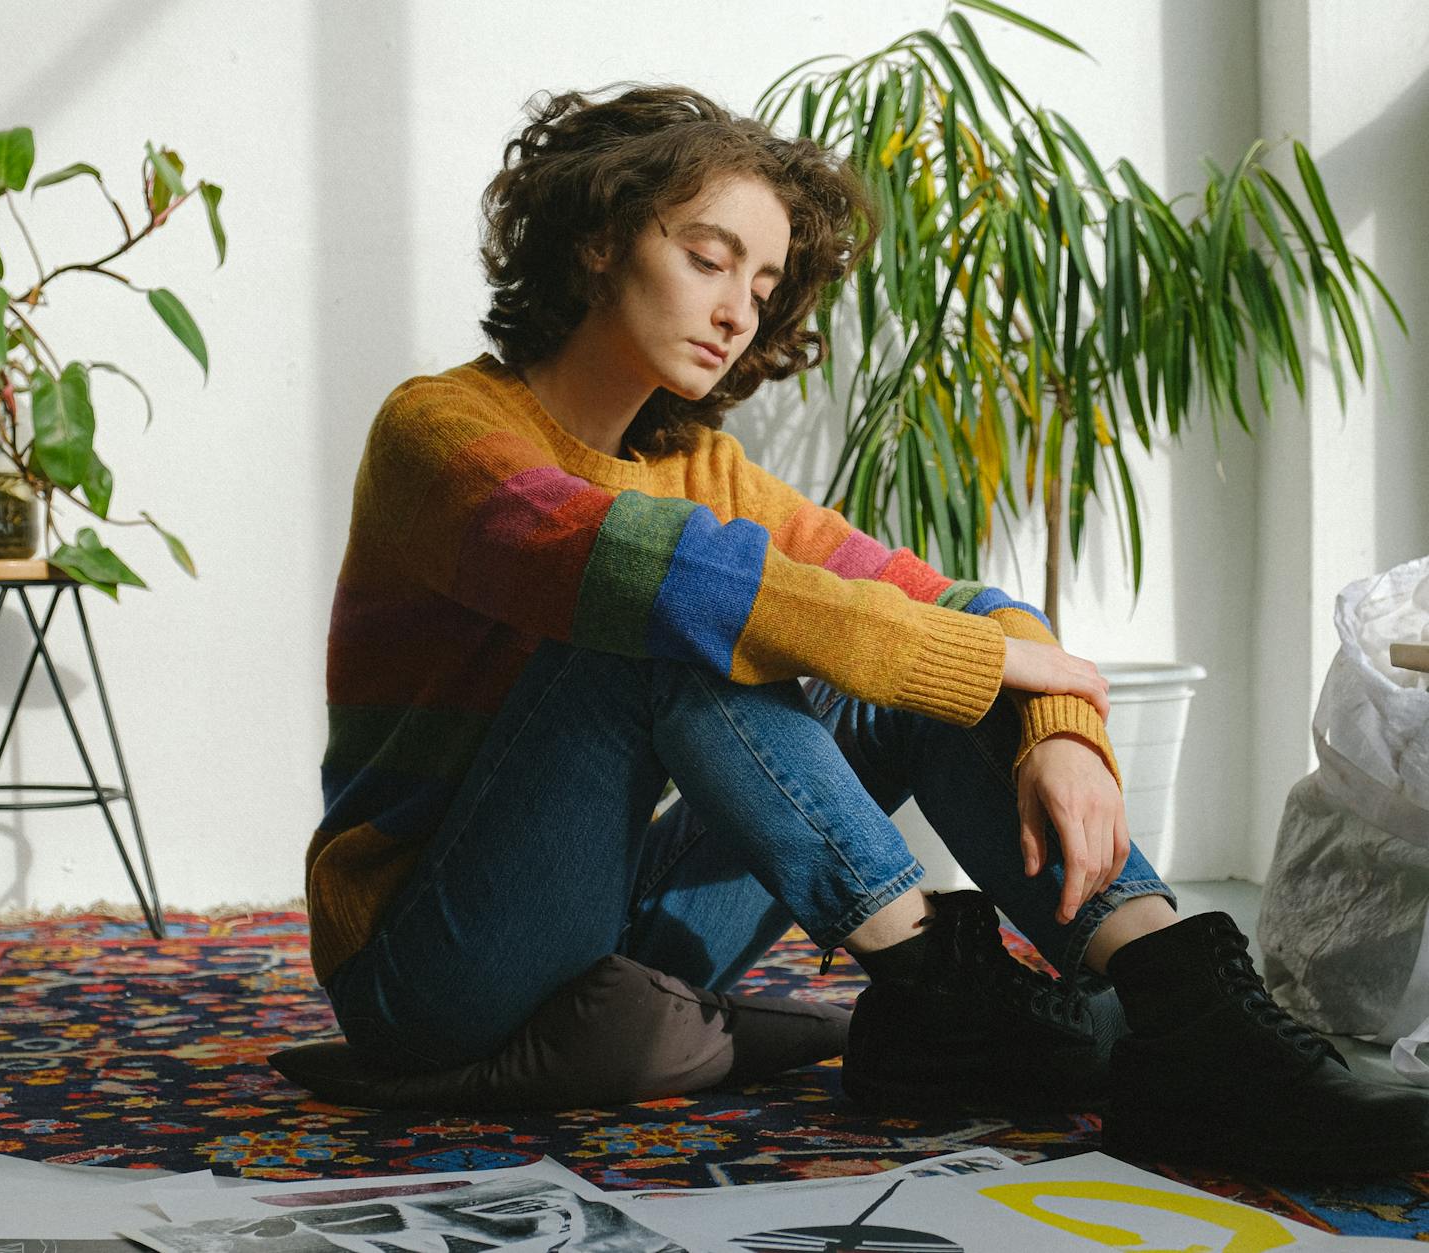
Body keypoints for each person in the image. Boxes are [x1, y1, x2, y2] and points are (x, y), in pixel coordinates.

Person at [305, 83, 1429, 1175]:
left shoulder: (700, 465)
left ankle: (1184, 1012)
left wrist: (1057, 724)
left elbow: (950, 601)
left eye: (761, 281)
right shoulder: (439, 430)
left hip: (617, 927)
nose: (738, 308)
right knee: (670, 621)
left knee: (887, 665)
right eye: (706, 258)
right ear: (596, 240)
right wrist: (978, 657)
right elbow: (656, 577)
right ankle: (945, 998)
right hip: (428, 963)